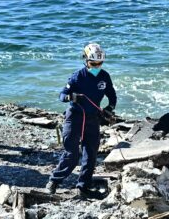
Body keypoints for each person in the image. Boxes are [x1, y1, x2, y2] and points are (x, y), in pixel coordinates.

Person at [46, 43, 117, 197]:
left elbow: (112, 96)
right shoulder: (77, 76)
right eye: (93, 64)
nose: (97, 66)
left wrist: (109, 109)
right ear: (85, 60)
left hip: (93, 119)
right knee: (71, 153)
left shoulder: (104, 76)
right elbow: (61, 95)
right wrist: (71, 97)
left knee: (91, 154)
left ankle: (83, 186)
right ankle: (54, 180)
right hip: (75, 117)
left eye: (100, 64)